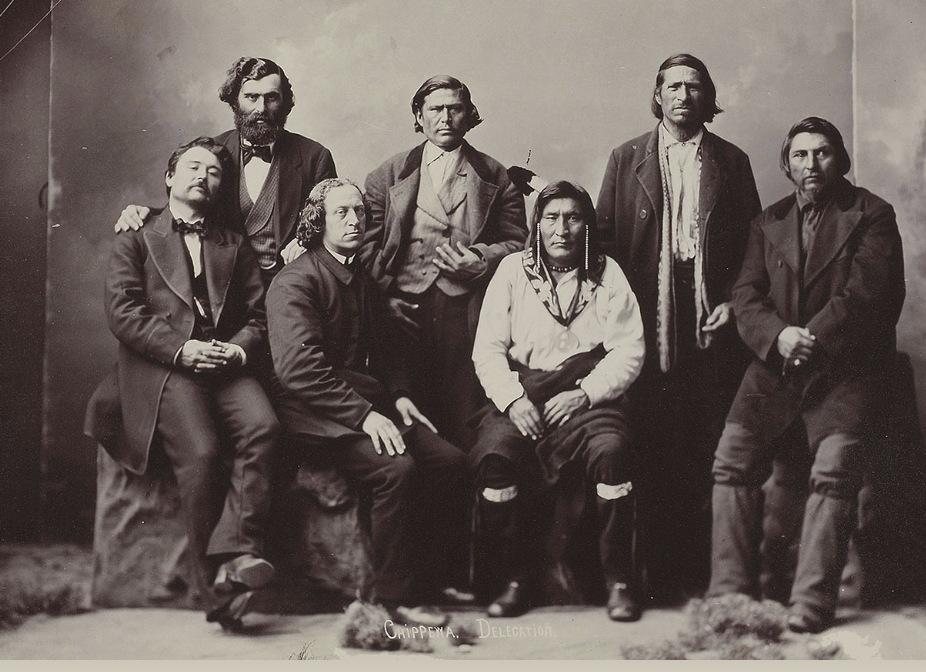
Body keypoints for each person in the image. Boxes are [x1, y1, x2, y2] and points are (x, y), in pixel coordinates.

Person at [708, 117, 905, 634]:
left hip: (847, 368)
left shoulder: (872, 215)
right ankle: (729, 594)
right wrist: (777, 338)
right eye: (800, 155)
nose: (811, 165)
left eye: (822, 153)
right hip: (775, 367)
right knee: (732, 460)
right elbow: (745, 295)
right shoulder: (766, 220)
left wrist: (807, 338)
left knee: (835, 468)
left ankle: (811, 604)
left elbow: (869, 297)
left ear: (839, 159)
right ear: (786, 163)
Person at [90, 136, 280, 630]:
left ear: (220, 188)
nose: (203, 175)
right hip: (165, 365)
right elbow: (122, 312)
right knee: (201, 451)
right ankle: (215, 588)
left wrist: (235, 349)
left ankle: (239, 555)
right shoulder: (136, 233)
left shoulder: (232, 244)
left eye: (214, 172)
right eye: (193, 167)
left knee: (263, 426)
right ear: (170, 178)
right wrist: (180, 348)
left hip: (222, 362)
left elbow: (259, 316)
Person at [595, 53, 762, 601]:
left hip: (711, 313)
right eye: (672, 86)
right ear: (658, 95)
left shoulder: (732, 161)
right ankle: (656, 581)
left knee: (707, 442)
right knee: (654, 442)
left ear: (707, 97)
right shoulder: (627, 158)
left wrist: (736, 305)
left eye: (694, 87)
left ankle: (705, 581)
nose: (683, 96)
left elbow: (755, 250)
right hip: (645, 313)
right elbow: (608, 247)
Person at [266, 178, 467, 626]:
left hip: (364, 403)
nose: (355, 220)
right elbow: (299, 372)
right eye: (342, 213)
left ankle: (429, 580)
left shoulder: (360, 275)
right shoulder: (294, 282)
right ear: (318, 222)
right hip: (310, 411)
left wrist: (399, 397)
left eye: (359, 211)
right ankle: (394, 601)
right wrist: (366, 415)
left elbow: (388, 347)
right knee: (396, 470)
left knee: (450, 462)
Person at [469, 181, 645, 621]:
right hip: (525, 394)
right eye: (551, 218)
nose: (561, 229)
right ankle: (514, 579)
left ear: (587, 224)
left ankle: (618, 580)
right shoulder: (512, 270)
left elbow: (629, 349)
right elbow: (487, 349)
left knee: (612, 452)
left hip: (588, 396)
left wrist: (584, 394)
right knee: (496, 457)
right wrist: (513, 401)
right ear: (537, 224)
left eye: (573, 217)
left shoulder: (608, 273)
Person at [362, 75, 527, 450]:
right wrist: (386, 296)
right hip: (403, 310)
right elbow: (366, 248)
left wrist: (482, 262)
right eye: (435, 109)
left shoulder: (494, 175)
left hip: (465, 312)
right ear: (418, 117)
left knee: (463, 413)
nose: (445, 118)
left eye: (455, 109)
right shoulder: (387, 175)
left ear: (469, 116)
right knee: (410, 414)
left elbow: (520, 243)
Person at [115, 56, 337, 286]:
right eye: (251, 97)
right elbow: (185, 210)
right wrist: (145, 214)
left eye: (271, 98)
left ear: (284, 103)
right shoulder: (212, 154)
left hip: (293, 284)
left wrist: (307, 241)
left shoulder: (314, 157)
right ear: (235, 101)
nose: (261, 108)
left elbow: (335, 223)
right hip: (226, 288)